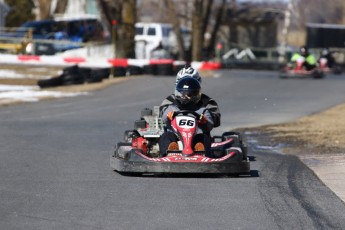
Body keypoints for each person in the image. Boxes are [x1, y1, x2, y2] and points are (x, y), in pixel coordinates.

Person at [158, 76, 221, 157]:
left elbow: (210, 125)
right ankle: (169, 153)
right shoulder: (172, 107)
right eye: (183, 94)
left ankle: (201, 153)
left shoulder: (202, 110)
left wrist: (204, 121)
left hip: (196, 137)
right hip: (176, 137)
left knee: (203, 138)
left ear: (196, 95)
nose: (185, 97)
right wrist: (168, 117)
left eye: (189, 95)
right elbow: (164, 120)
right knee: (165, 136)